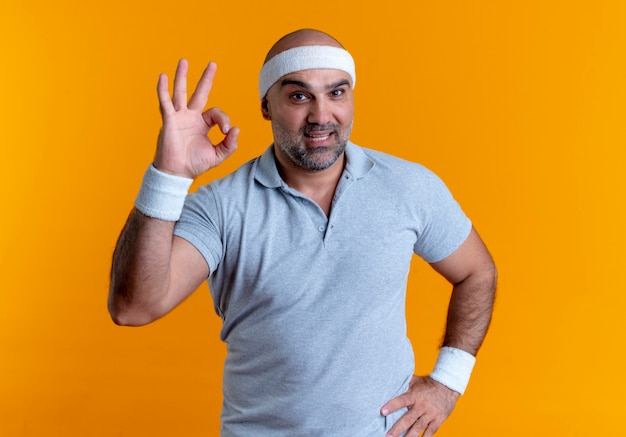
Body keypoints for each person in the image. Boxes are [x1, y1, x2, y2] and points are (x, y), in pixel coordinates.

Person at [109, 28, 497, 437]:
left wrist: (447, 383)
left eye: (337, 92)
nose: (321, 115)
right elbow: (134, 308)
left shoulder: (409, 187)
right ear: (266, 106)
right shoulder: (221, 207)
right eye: (299, 96)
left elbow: (477, 272)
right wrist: (168, 175)